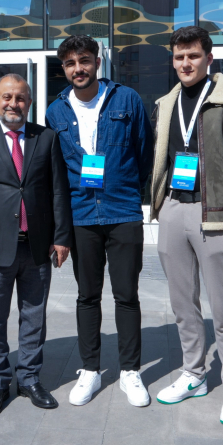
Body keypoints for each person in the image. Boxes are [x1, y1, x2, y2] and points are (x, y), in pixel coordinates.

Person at [150, 26, 223, 426]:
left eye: (193, 56)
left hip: (217, 213)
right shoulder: (165, 104)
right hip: (173, 208)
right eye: (179, 57)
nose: (186, 63)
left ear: (209, 58)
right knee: (183, 303)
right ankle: (194, 373)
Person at [45, 35, 154, 408]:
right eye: (70, 63)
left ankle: (130, 371)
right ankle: (90, 369)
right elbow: (56, 171)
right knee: (87, 296)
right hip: (81, 215)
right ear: (64, 68)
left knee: (127, 295)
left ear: (98, 61)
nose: (79, 69)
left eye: (85, 60)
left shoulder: (127, 100)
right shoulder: (55, 111)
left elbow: (144, 153)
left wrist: (125, 188)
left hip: (123, 211)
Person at [0, 73, 72, 417]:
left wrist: (61, 237)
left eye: (20, 98)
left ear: (30, 102)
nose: (13, 103)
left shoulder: (46, 138)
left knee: (34, 317)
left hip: (37, 245)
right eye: (7, 97)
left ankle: (29, 379)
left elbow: (58, 191)